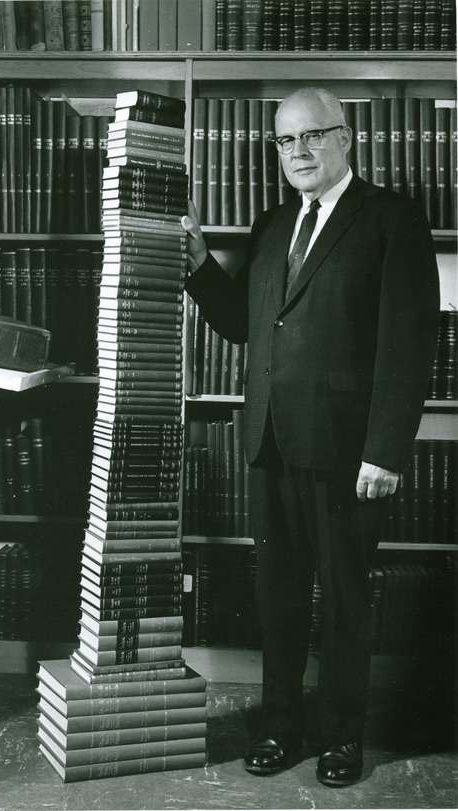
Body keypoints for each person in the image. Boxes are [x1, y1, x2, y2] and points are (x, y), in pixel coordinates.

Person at [182, 87, 440, 787]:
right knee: (280, 599)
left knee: (346, 601)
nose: (298, 152)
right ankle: (278, 727)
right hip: (268, 441)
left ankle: (341, 738)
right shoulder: (272, 225)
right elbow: (244, 324)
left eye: (312, 136)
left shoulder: (390, 218)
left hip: (347, 451)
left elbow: (409, 344)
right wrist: (201, 265)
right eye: (285, 140)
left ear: (346, 139)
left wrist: (385, 449)